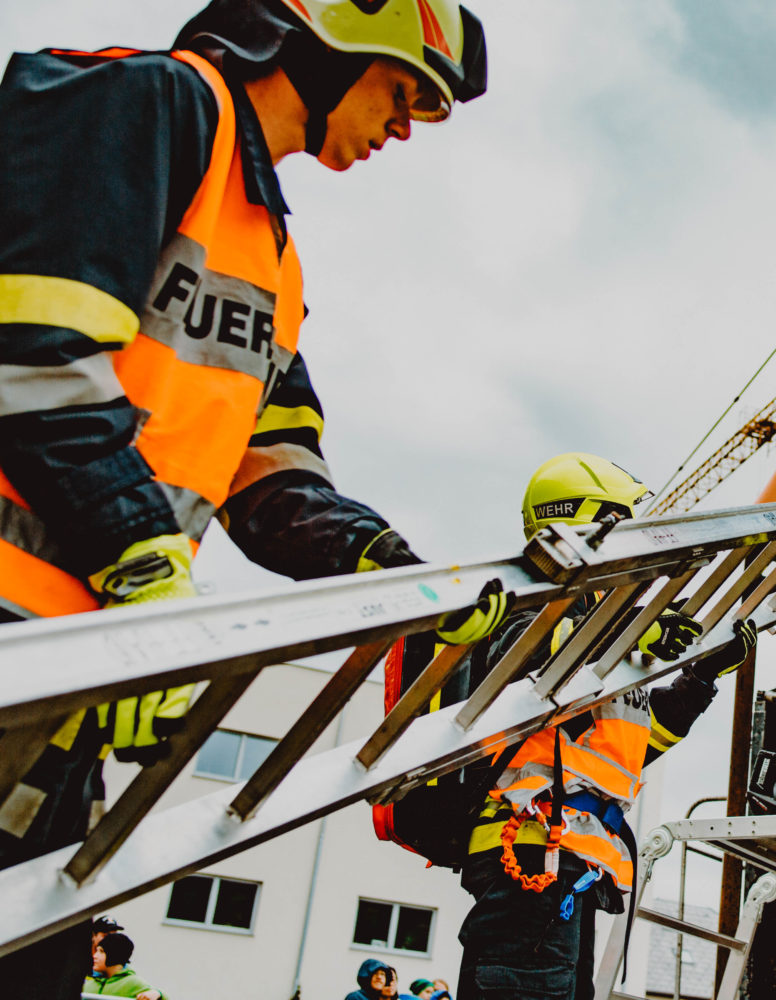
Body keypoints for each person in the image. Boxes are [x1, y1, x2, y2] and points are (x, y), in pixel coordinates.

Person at [0, 3, 492, 996]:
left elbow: (268, 475)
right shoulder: (145, 102)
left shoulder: (271, 259)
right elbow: (32, 354)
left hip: (78, 667)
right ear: (332, 37)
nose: (406, 125)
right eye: (406, 91)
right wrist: (142, 558)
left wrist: (390, 567)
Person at [412, 453, 757, 1000]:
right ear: (591, 521)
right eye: (624, 522)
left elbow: (632, 747)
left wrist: (700, 678)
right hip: (528, 853)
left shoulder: (603, 636)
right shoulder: (540, 597)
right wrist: (634, 632)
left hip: (568, 865)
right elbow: (524, 653)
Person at [82, 932, 164, 999]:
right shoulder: (89, 985)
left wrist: (158, 994)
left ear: (113, 955)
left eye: (101, 951)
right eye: (96, 951)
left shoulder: (132, 983)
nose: (95, 956)